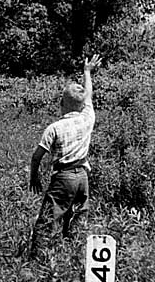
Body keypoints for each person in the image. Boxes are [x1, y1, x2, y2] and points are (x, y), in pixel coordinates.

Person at [28, 54, 102, 255]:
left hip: (63, 178)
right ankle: (73, 256)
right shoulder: (88, 118)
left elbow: (37, 156)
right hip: (82, 178)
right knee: (77, 219)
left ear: (62, 103)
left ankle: (35, 262)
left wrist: (34, 176)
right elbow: (89, 97)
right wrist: (87, 72)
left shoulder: (54, 128)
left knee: (46, 220)